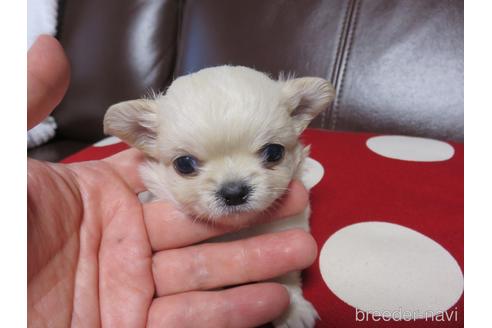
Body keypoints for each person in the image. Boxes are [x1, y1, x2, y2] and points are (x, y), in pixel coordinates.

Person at [27, 35, 317, 327]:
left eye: (271, 154)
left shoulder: (289, 202)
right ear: (146, 135)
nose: (233, 189)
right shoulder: (135, 218)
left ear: (298, 114)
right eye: (187, 165)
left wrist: (289, 290)